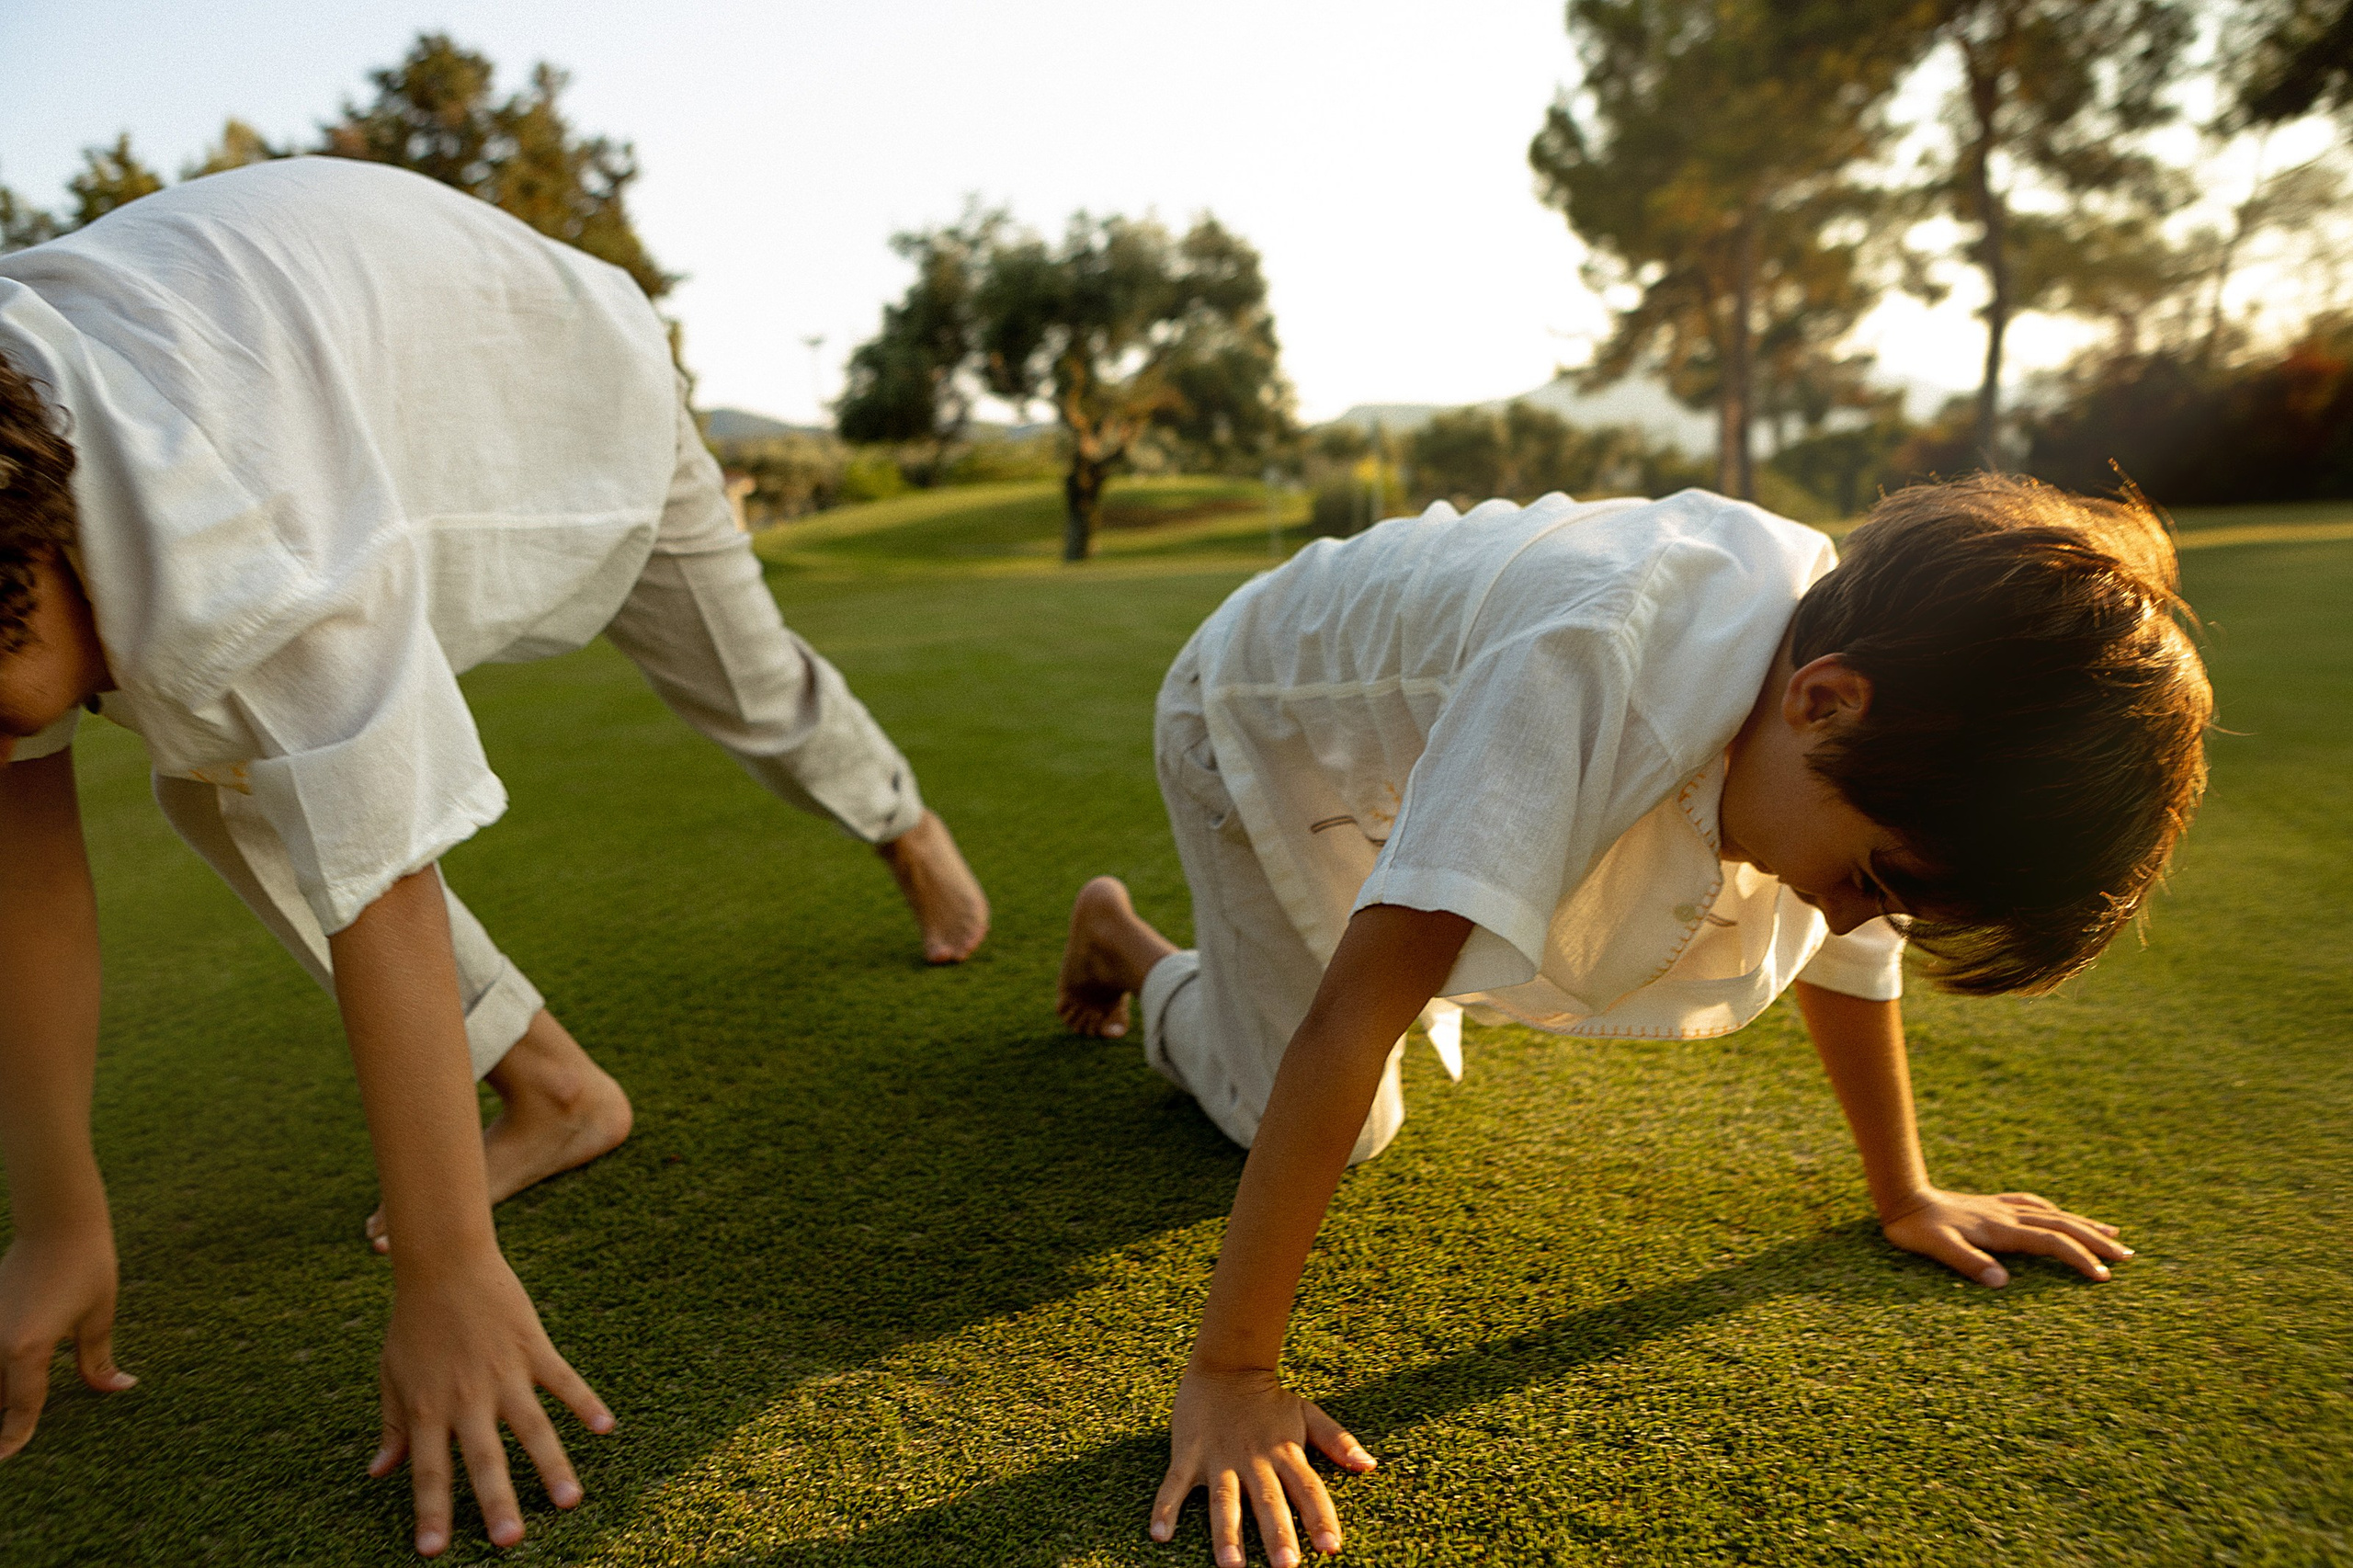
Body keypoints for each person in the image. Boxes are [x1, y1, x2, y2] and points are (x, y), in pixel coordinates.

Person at [0, 157, 987, 1556]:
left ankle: (908, 824)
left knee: (747, 689)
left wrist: (452, 1268)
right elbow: (21, 860)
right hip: (385, 433)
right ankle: (557, 1085)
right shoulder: (31, 473)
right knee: (216, 782)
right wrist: (58, 1217)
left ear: (45, 537)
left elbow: (376, 861)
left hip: (585, 408)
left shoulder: (231, 511)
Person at [1056, 476, 2211, 1566]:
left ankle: (1139, 945)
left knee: (1379, 1015)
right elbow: (1356, 1013)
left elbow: (1852, 945)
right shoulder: (1592, 662)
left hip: (1421, 719)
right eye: (1874, 873)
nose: (1856, 910)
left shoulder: (1851, 699)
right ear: (1822, 699)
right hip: (1255, 712)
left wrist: (1904, 1191)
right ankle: (1129, 942)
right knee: (1312, 1115)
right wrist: (1233, 1371)